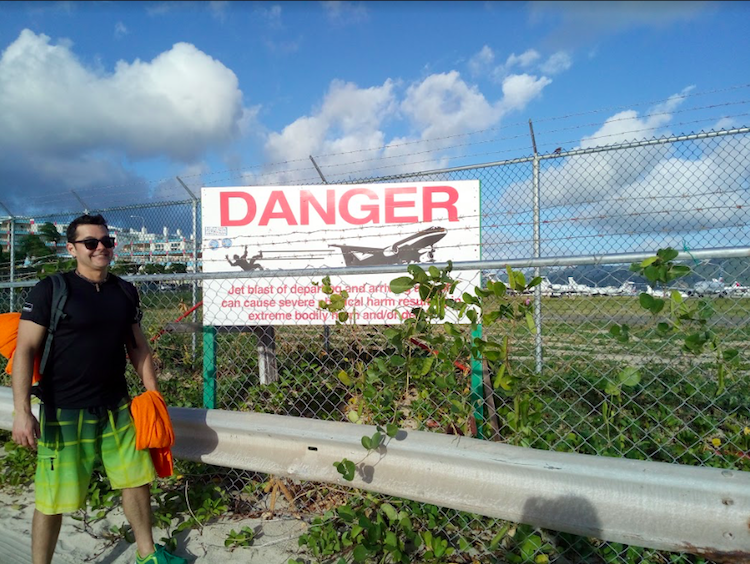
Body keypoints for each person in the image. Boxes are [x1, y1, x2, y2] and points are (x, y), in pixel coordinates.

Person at [11, 214, 186, 564]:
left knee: (136, 480)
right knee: (53, 498)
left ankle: (148, 555)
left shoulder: (124, 290)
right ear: (72, 248)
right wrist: (22, 411)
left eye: (106, 241)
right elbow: (25, 350)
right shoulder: (51, 290)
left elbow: (137, 347)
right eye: (91, 243)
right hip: (64, 410)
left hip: (116, 406)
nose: (101, 248)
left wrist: (153, 395)